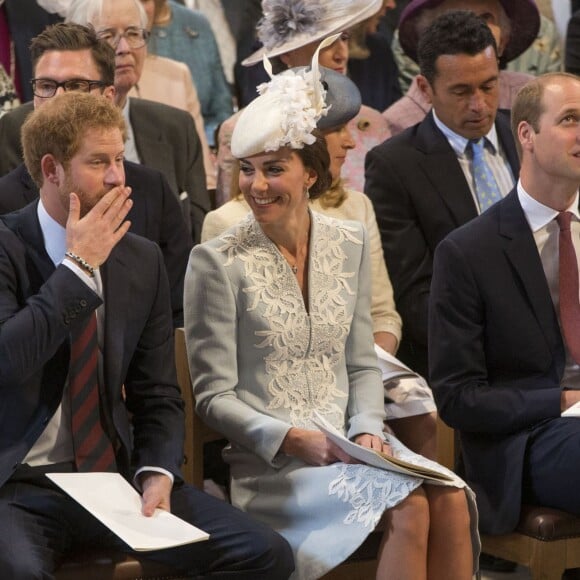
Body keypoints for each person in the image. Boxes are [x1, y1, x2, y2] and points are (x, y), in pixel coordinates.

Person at [184, 38, 479, 580]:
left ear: (311, 173)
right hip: (275, 464)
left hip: (354, 443)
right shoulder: (216, 260)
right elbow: (212, 396)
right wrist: (296, 439)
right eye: (247, 170)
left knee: (452, 498)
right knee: (410, 508)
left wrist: (367, 427)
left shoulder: (348, 240)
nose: (257, 185)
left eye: (274, 169)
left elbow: (363, 361)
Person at [0, 90, 293, 579]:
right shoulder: (6, 246)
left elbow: (156, 392)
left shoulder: (139, 257)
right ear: (52, 170)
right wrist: (76, 269)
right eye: (99, 162)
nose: (118, 175)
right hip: (20, 484)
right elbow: (9, 361)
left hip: (113, 480)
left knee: (264, 553)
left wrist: (157, 469)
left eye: (120, 157)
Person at [202, 68, 437, 459]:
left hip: (360, 370)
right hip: (280, 398)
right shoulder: (226, 226)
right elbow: (223, 377)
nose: (349, 141)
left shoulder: (355, 210)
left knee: (424, 420)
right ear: (308, 143)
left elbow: (381, 314)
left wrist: (361, 396)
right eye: (336, 130)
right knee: (410, 501)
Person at [428, 72, 580, 536]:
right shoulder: (468, 251)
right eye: (571, 119)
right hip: (528, 437)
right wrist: (562, 399)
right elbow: (457, 397)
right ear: (527, 134)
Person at [0, 22, 191, 328]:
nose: (59, 101)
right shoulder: (4, 202)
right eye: (47, 86)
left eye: (76, 87)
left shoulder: (151, 191)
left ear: (109, 96)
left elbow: (176, 311)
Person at [365, 10, 520, 377]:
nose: (479, 104)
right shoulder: (394, 166)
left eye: (488, 85)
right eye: (461, 91)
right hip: (465, 361)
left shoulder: (525, 134)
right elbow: (415, 296)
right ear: (424, 88)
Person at [215, 0, 391, 206]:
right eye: (324, 43)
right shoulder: (242, 128)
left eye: (344, 39)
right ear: (287, 53)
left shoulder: (372, 124)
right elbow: (233, 217)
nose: (341, 54)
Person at [383, 0, 539, 137]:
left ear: (504, 39)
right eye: (455, 18)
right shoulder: (398, 124)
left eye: (485, 17)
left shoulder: (533, 96)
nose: (472, 30)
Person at [146, 0, 233, 146]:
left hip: (207, 144)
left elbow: (221, 105)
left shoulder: (197, 22)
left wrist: (213, 144)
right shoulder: (120, 28)